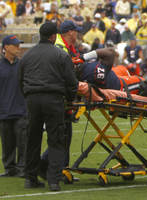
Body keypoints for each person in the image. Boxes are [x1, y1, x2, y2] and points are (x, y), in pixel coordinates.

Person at [18, 21, 78, 191]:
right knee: (56, 140)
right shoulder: (60, 54)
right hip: (53, 99)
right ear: (53, 36)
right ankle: (53, 180)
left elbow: (20, 80)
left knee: (33, 139)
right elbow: (71, 81)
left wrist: (29, 96)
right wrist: (70, 99)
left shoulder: (27, 55)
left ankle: (30, 178)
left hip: (32, 99)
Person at [0, 35, 26, 178]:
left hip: (21, 109)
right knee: (7, 142)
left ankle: (22, 168)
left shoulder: (22, 64)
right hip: (3, 110)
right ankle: (9, 169)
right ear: (6, 48)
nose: (18, 48)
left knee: (23, 141)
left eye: (19, 45)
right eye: (15, 45)